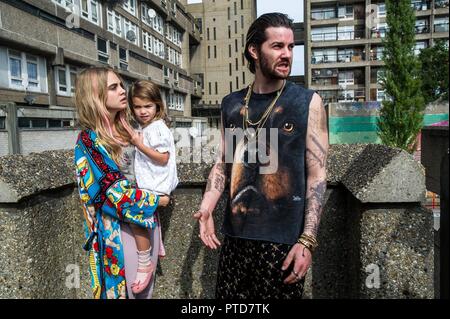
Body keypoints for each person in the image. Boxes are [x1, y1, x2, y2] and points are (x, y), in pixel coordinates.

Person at [193, 13, 329, 299]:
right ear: (254, 51)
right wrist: (206, 208)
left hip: (282, 244)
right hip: (236, 240)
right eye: (278, 46)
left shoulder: (308, 102)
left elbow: (317, 176)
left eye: (291, 47)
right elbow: (224, 164)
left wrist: (307, 240)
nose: (287, 55)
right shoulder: (231, 104)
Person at [74, 67, 170, 299]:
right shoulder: (88, 142)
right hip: (118, 231)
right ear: (95, 95)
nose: (122, 91)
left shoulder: (130, 132)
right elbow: (112, 193)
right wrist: (158, 199)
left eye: (120, 85)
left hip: (147, 225)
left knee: (145, 294)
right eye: (113, 87)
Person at [126, 80, 179, 294]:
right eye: (137, 107)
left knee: (134, 215)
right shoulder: (147, 127)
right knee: (147, 215)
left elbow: (163, 158)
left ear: (158, 105)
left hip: (157, 184)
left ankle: (145, 259)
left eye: (147, 106)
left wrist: (139, 145)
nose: (142, 111)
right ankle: (157, 244)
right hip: (152, 184)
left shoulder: (157, 128)